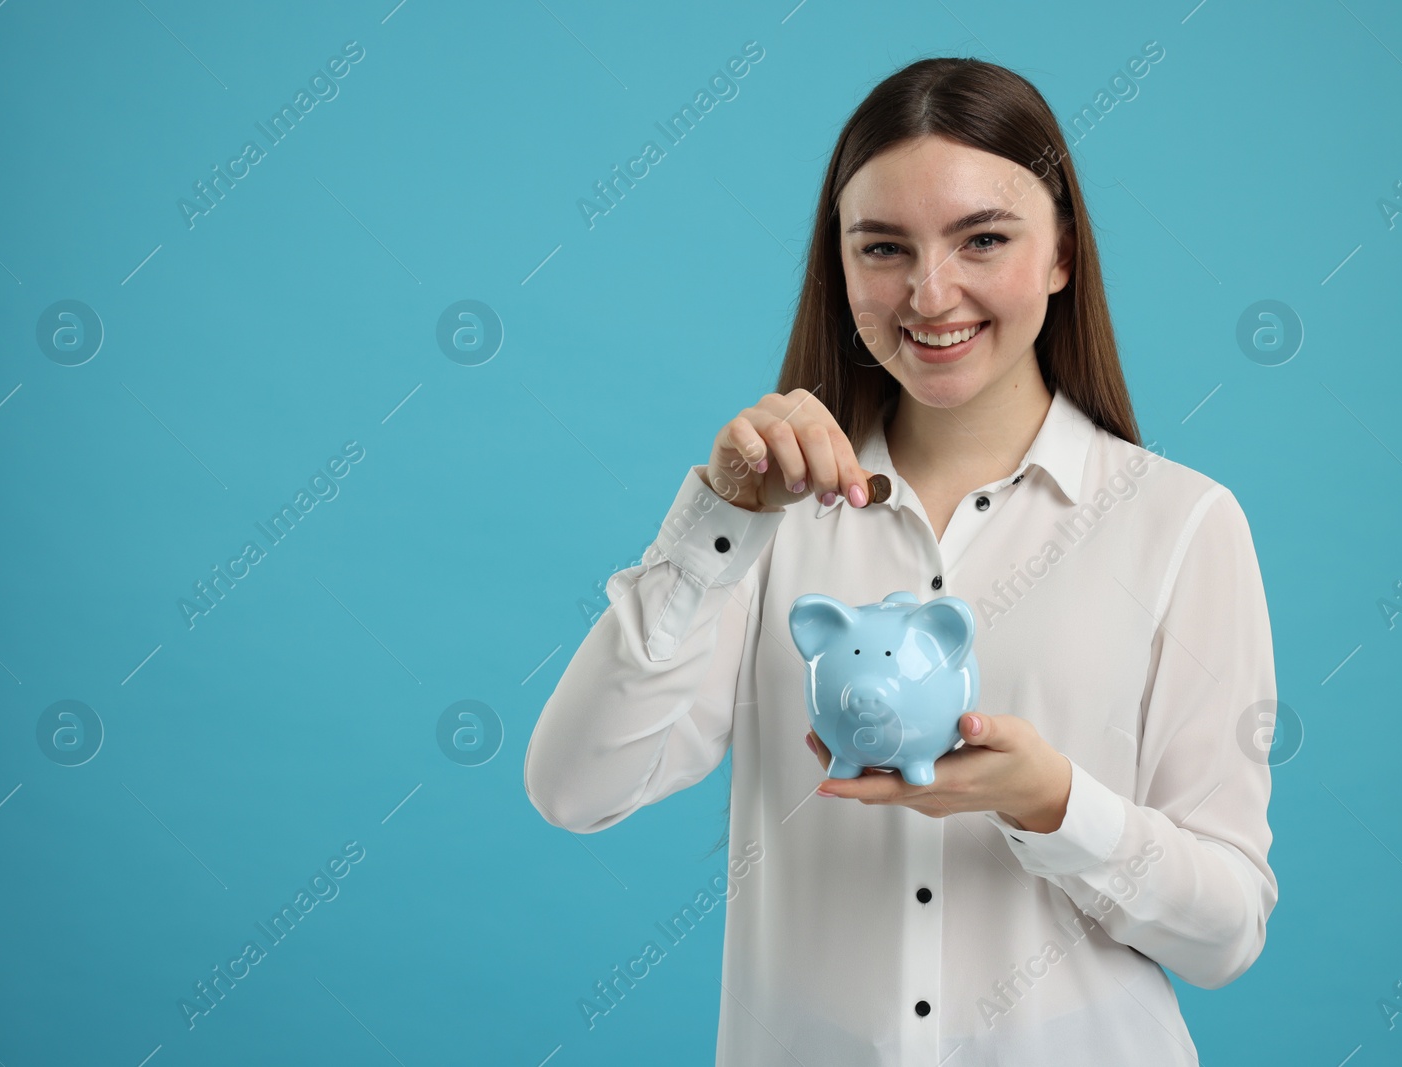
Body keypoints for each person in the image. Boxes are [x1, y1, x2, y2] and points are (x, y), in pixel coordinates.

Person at [525, 55, 1277, 1066]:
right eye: (882, 247)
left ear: (1061, 253)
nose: (930, 294)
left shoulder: (1181, 522)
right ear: (838, 265)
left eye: (984, 239)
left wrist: (1052, 800)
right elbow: (574, 787)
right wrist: (716, 523)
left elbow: (1226, 932)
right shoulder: (766, 523)